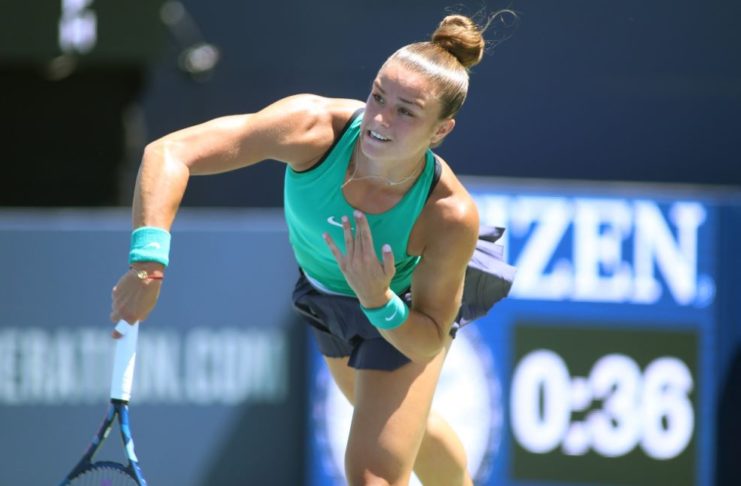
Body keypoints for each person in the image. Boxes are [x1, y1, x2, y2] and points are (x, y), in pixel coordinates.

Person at [111, 13, 514, 486]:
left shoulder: (448, 214)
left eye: (406, 112)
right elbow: (169, 153)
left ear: (441, 130)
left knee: (372, 475)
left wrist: (378, 299)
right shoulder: (313, 129)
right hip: (326, 297)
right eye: (378, 96)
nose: (380, 119)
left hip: (401, 309)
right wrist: (148, 265)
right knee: (408, 428)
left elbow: (427, 337)